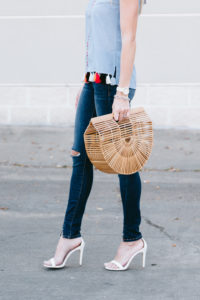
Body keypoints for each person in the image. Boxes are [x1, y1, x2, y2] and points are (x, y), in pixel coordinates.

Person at [43, 0, 147, 271]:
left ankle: (132, 239)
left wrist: (122, 94)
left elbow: (129, 38)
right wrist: (86, 80)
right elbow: (96, 39)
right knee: (80, 157)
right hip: (93, 82)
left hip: (113, 86)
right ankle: (70, 237)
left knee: (124, 163)